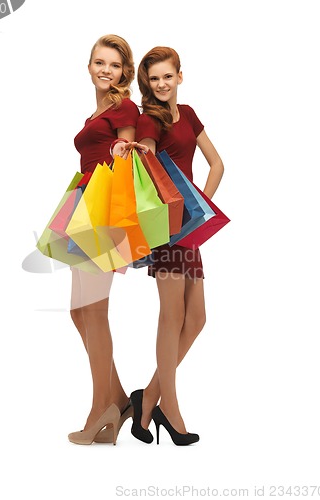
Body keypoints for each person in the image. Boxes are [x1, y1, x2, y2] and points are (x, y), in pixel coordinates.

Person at [131, 46, 225, 445]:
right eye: (154, 79)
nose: (162, 84)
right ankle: (170, 406)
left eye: (167, 76)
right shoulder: (149, 120)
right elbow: (147, 164)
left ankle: (148, 397)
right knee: (172, 317)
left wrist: (200, 203)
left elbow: (217, 163)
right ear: (147, 84)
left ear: (180, 77)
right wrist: (139, 149)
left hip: (191, 226)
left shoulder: (187, 114)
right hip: (167, 230)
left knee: (197, 318)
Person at [67, 34, 139, 445]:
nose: (105, 70)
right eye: (99, 62)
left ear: (123, 72)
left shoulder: (123, 107)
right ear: (89, 66)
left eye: (113, 65)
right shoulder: (97, 111)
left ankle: (101, 409)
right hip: (82, 205)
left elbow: (125, 152)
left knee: (94, 312)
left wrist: (120, 147)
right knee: (78, 313)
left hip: (104, 210)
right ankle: (116, 399)